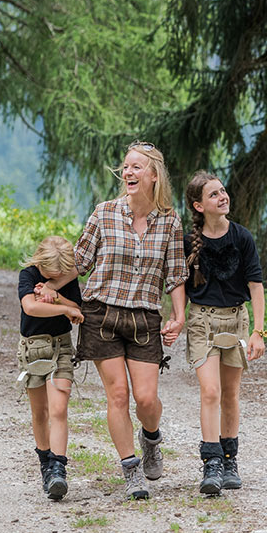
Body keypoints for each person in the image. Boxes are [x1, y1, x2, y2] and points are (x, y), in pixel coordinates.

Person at [39, 142, 188, 500]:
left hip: (144, 319)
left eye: (137, 167)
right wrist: (48, 285)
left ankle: (151, 438)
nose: (129, 173)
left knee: (147, 399)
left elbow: (176, 273)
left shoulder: (169, 220)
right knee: (118, 395)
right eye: (125, 167)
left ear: (154, 175)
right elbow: (80, 262)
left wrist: (179, 316)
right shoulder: (104, 213)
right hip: (102, 314)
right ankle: (131, 470)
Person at [181, 171, 267, 495]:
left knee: (230, 394)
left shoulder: (242, 237)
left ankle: (230, 459)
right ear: (199, 206)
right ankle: (211, 462)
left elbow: (256, 286)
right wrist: (177, 318)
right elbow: (178, 283)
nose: (223, 197)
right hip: (202, 322)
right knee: (211, 392)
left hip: (236, 321)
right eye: (214, 194)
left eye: (223, 191)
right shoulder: (189, 243)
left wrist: (259, 331)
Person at [17, 236, 83, 501]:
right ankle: (45, 463)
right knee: (40, 412)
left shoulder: (66, 279)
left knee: (59, 409)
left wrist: (56, 297)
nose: (56, 276)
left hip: (61, 347)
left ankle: (58, 468)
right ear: (39, 263)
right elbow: (30, 307)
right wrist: (62, 309)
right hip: (33, 349)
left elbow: (78, 308)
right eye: (50, 274)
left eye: (60, 274)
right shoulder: (27, 275)